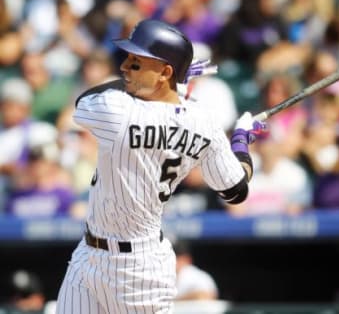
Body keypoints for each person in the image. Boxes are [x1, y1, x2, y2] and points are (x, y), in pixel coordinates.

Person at [55, 19, 266, 313]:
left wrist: (175, 84)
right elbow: (235, 190)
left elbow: (83, 101)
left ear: (165, 72)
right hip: (89, 254)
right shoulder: (204, 122)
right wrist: (241, 142)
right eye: (128, 59)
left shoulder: (118, 109)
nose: (125, 68)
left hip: (137, 269)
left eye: (137, 63)